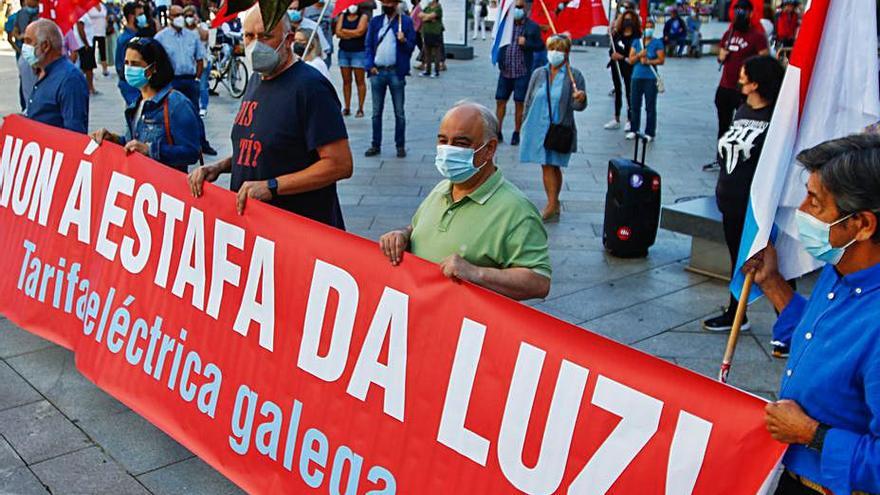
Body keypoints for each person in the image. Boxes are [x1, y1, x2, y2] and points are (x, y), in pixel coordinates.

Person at [742, 134, 880, 495]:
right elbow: (818, 337)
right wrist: (772, 284)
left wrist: (811, 434)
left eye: (815, 202)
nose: (801, 212)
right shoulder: (839, 269)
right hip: (786, 473)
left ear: (863, 224)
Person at [186, 6, 353, 227]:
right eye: (249, 36)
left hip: (297, 229)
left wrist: (272, 186)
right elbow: (259, 148)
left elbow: (340, 164)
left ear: (289, 38)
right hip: (257, 230)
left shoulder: (311, 87)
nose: (256, 44)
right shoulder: (257, 79)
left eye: (266, 36)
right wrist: (219, 167)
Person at [378, 102, 551, 300]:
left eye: (461, 144)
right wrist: (403, 235)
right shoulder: (442, 188)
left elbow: (539, 281)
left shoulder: (517, 211)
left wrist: (476, 273)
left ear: (489, 149)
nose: (448, 150)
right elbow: (418, 227)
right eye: (443, 141)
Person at [702, 56, 784, 335]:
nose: (739, 79)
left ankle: (788, 322)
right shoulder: (742, 109)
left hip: (756, 205)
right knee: (738, 260)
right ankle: (736, 312)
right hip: (729, 201)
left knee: (771, 263)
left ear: (757, 82)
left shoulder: (776, 119)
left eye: (744, 75)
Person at [89, 36, 200, 171]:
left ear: (153, 68)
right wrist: (114, 139)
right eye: (127, 63)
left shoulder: (177, 104)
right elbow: (134, 143)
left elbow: (192, 152)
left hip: (165, 184)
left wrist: (151, 150)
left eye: (135, 64)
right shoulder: (136, 103)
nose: (129, 69)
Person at [520, 34, 586, 221]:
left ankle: (552, 204)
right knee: (546, 165)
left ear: (566, 53)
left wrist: (581, 98)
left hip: (559, 127)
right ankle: (553, 203)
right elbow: (529, 99)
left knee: (553, 166)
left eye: (559, 49)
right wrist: (523, 124)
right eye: (551, 48)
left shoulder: (575, 76)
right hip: (537, 126)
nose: (554, 53)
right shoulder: (539, 73)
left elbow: (578, 107)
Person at [155, 5, 217, 156]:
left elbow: (199, 58)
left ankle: (202, 143)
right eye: (176, 15)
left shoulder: (192, 36)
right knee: (172, 113)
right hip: (172, 81)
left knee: (195, 113)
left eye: (181, 14)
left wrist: (197, 77)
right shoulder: (161, 38)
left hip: (189, 79)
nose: (180, 18)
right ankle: (176, 143)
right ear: (169, 17)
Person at [363, 0, 417, 158]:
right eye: (384, 2)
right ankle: (375, 144)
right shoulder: (375, 22)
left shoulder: (405, 22)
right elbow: (368, 46)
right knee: (376, 112)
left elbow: (411, 47)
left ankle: (400, 145)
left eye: (389, 2)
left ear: (396, 4)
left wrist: (403, 40)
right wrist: (369, 65)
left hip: (396, 72)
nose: (386, 4)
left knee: (399, 112)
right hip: (377, 72)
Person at [22, 19, 90, 133]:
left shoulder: (70, 79)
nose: (24, 47)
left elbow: (74, 132)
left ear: (45, 46)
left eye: (28, 42)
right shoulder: (42, 71)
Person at [715, 0, 769, 139]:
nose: (740, 14)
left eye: (744, 11)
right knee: (723, 125)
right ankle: (720, 156)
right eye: (737, 10)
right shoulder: (729, 33)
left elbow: (765, 60)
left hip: (744, 89)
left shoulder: (757, 36)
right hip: (725, 86)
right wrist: (721, 56)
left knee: (742, 125)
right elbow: (720, 54)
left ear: (750, 13)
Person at [494, 0, 543, 146]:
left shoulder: (532, 27)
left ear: (525, 9)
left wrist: (527, 43)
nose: (517, 10)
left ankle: (517, 132)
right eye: (515, 7)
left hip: (522, 71)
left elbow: (540, 45)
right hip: (505, 71)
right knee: (500, 101)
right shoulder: (505, 26)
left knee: (519, 103)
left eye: (520, 7)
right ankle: (498, 130)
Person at [627, 19, 664, 141]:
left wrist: (649, 61)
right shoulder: (636, 42)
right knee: (635, 104)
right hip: (636, 76)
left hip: (650, 78)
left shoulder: (657, 43)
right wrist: (639, 55)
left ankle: (650, 132)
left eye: (651, 27)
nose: (649, 29)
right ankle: (634, 129)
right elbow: (631, 59)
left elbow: (661, 60)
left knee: (650, 106)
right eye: (647, 27)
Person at [605, 9, 639, 131]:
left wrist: (622, 57)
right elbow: (612, 49)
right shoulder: (617, 35)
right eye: (625, 19)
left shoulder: (636, 38)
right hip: (616, 66)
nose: (627, 22)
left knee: (629, 91)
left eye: (629, 20)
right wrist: (613, 55)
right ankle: (616, 118)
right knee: (618, 90)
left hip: (629, 67)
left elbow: (634, 55)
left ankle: (630, 119)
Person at [335, 4, 368, 117]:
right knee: (346, 81)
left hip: (359, 52)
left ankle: (360, 108)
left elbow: (360, 31)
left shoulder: (363, 16)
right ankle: (347, 107)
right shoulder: (342, 16)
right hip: (344, 51)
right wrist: (352, 33)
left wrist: (345, 32)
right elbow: (338, 32)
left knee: (360, 81)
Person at [11, 0, 41, 110]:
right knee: (26, 80)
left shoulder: (43, 13)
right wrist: (21, 37)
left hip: (39, 51)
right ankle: (27, 107)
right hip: (26, 51)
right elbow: (15, 32)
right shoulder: (20, 14)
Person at [115, 1, 144, 106]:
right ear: (132, 17)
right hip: (132, 86)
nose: (143, 18)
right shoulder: (127, 40)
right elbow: (123, 66)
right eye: (140, 15)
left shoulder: (137, 35)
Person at [183, 6, 210, 117]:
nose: (189, 18)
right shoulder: (182, 30)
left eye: (191, 15)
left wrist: (197, 25)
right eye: (187, 16)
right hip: (189, 63)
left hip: (202, 61)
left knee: (202, 85)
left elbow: (205, 36)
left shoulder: (201, 27)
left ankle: (203, 107)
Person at [418, 0, 442, 78]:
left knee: (436, 53)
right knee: (427, 53)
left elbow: (431, 16)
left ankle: (436, 71)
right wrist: (428, 18)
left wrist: (427, 17)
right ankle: (427, 71)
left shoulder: (438, 8)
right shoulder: (427, 7)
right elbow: (420, 15)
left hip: (435, 33)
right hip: (426, 32)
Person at [86, 2, 110, 76]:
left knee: (103, 51)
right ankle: (91, 70)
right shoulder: (89, 6)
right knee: (91, 52)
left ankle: (105, 69)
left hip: (101, 32)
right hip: (92, 32)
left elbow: (106, 16)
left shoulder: (103, 6)